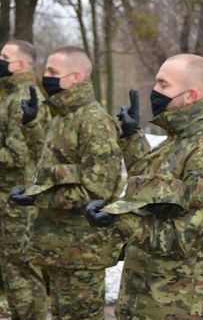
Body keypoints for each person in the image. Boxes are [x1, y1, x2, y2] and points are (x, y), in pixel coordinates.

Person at [85, 54, 203, 319]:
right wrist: (131, 138)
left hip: (191, 307)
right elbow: (155, 193)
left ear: (190, 96)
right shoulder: (177, 143)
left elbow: (184, 239)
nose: (154, 92)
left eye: (164, 85)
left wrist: (117, 219)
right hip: (153, 302)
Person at [10, 46, 124, 320]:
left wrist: (37, 197)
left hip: (81, 252)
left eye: (52, 72)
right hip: (56, 247)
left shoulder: (94, 122)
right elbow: (47, 170)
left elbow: (96, 191)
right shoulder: (60, 117)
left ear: (75, 77)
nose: (45, 76)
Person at [0, 40, 48, 319]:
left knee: (22, 267)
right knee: (15, 267)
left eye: (4, 56)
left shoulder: (22, 98)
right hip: (11, 197)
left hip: (18, 199)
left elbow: (17, 156)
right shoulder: (10, 95)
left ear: (20, 64)